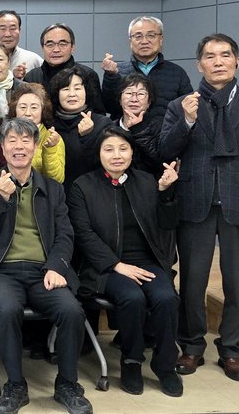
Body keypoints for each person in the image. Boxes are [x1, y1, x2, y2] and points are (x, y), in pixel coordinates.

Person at [160, 33, 239, 383]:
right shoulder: (181, 104)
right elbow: (166, 149)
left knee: (236, 282)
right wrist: (187, 121)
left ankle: (230, 350)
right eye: (210, 57)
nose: (218, 62)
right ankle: (192, 346)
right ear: (199, 65)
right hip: (194, 201)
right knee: (192, 281)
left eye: (225, 55)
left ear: (237, 61)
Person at [0, 118, 92, 414]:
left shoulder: (53, 188)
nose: (19, 147)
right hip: (2, 272)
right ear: (2, 148)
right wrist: (1, 198)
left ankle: (67, 384)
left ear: (36, 146)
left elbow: (65, 234)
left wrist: (56, 267)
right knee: (6, 310)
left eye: (26, 140)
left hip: (44, 271)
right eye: (12, 141)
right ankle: (15, 385)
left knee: (72, 311)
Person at [68, 126, 183, 398]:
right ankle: (131, 362)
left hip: (147, 262)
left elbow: (168, 224)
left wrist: (165, 192)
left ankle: (165, 365)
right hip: (105, 267)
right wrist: (116, 265)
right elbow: (83, 234)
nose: (116, 155)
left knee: (167, 298)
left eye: (123, 148)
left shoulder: (147, 181)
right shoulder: (83, 186)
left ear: (132, 152)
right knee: (132, 298)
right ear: (99, 154)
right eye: (109, 149)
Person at [100, 16, 193, 123]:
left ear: (161, 39)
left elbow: (187, 110)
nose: (144, 41)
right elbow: (109, 108)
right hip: (125, 132)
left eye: (151, 35)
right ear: (130, 41)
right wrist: (111, 76)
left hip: (165, 132)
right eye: (138, 36)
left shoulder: (177, 73)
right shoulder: (117, 71)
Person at [23, 23, 106, 115]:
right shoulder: (32, 77)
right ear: (42, 48)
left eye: (62, 44)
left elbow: (98, 113)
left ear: (72, 47)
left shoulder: (87, 74)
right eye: (50, 45)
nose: (56, 50)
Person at [49, 69, 112, 188]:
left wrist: (88, 136)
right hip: (57, 192)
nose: (72, 94)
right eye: (65, 89)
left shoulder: (102, 123)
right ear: (57, 93)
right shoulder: (50, 125)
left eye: (77, 88)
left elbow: (108, 164)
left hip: (92, 190)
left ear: (86, 91)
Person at [7, 83, 65, 183]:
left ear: (43, 111)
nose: (28, 113)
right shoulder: (5, 136)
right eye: (23, 107)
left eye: (34, 108)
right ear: (14, 110)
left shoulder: (52, 138)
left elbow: (57, 179)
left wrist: (50, 149)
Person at [113, 73, 163, 176]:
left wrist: (139, 130)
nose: (134, 99)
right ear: (120, 100)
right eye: (128, 93)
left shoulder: (160, 126)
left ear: (149, 102)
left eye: (140, 94)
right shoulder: (110, 128)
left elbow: (160, 163)